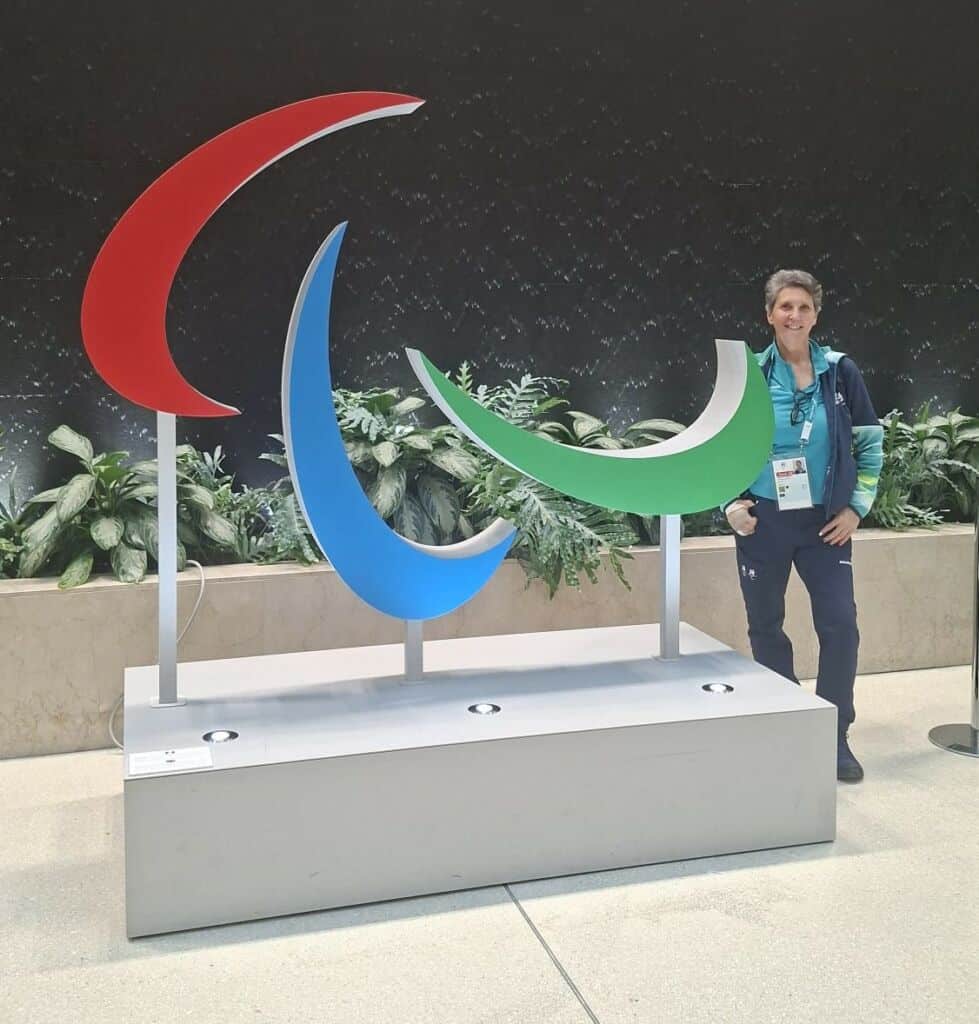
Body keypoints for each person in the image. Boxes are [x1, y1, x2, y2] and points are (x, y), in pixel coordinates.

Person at [723, 270, 883, 782]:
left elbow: (870, 443)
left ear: (816, 316)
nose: (794, 316)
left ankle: (833, 735)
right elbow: (719, 445)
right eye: (785, 306)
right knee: (766, 626)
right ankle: (788, 723)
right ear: (769, 314)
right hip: (763, 521)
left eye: (804, 307)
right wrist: (729, 503)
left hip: (825, 522)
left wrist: (855, 509)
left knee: (840, 625)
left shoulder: (840, 371)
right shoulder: (748, 374)